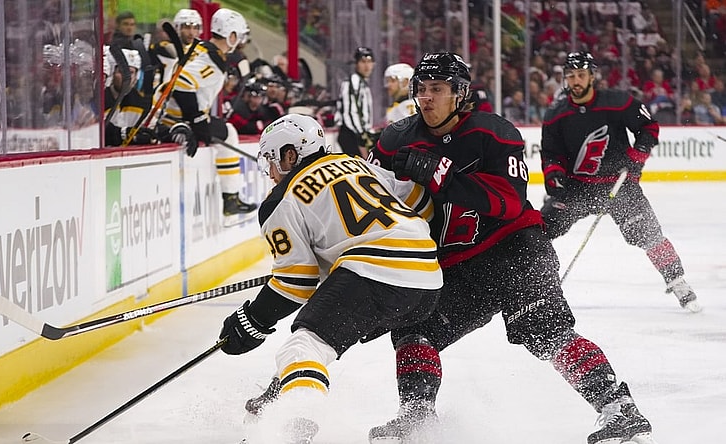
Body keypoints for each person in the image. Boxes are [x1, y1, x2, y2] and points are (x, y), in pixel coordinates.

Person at [367, 51, 657, 444]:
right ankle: (416, 416)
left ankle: (618, 409)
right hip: (455, 264)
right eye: (422, 89)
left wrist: (443, 176)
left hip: (515, 250)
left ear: (460, 93)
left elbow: (507, 203)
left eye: (438, 89)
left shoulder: (495, 132)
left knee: (545, 331)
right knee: (413, 327)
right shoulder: (394, 138)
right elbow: (369, 198)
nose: (427, 97)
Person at [218, 114, 442, 442]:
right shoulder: (357, 165)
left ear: (290, 155)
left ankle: (298, 422)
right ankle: (275, 397)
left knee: (304, 343)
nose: (271, 172)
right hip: (428, 275)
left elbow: (296, 282)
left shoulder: (281, 199)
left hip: (375, 271)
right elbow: (421, 203)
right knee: (323, 334)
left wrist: (251, 321)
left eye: (272, 161)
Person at [540, 51, 701, 313]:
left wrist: (637, 158)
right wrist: (553, 174)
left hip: (618, 183)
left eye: (581, 75)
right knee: (537, 232)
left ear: (592, 76)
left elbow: (648, 127)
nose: (576, 81)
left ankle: (677, 280)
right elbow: (550, 153)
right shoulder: (556, 113)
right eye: (571, 76)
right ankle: (528, 287)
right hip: (577, 188)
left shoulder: (617, 102)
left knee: (649, 235)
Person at [158, 8, 257, 217]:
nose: (238, 42)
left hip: (168, 115)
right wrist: (197, 120)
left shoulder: (200, 49)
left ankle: (231, 196)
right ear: (230, 36)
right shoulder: (211, 60)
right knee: (229, 132)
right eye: (237, 37)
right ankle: (231, 197)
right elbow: (182, 84)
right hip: (176, 119)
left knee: (226, 130)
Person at [336, 46, 376, 158]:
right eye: (363, 61)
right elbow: (350, 111)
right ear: (356, 64)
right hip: (351, 135)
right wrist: (361, 136)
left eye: (369, 61)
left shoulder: (362, 83)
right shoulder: (353, 82)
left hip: (358, 135)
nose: (367, 66)